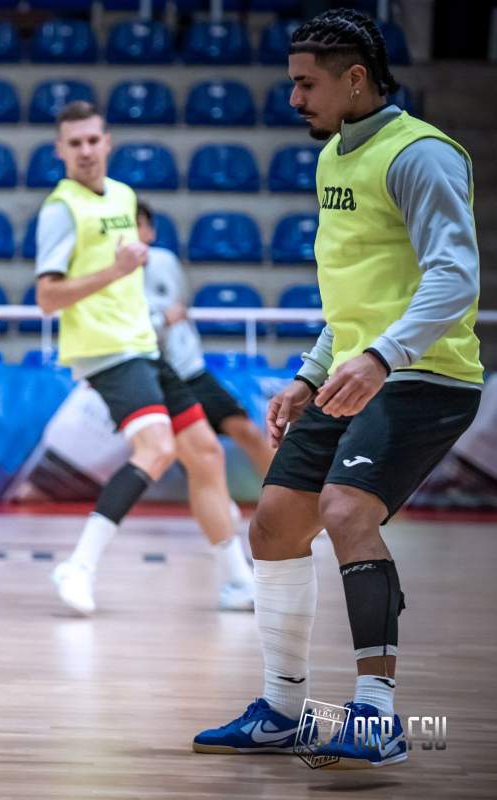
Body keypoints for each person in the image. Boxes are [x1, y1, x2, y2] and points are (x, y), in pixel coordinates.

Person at [193, 8, 483, 768]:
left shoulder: (421, 154)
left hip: (424, 375)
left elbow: (455, 277)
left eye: (305, 83)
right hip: (356, 371)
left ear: (355, 78)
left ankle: (376, 716)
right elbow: (350, 299)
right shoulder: (331, 158)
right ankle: (284, 711)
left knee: (345, 509)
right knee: (275, 527)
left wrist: (381, 357)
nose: (293, 99)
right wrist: (309, 374)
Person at [35, 101, 255, 615]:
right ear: (60, 150)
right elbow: (48, 297)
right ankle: (79, 566)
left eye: (94, 140)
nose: (86, 150)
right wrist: (112, 272)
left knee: (206, 453)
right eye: (76, 142)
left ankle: (239, 581)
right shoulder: (60, 209)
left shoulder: (126, 196)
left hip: (144, 347)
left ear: (107, 142)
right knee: (155, 449)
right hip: (103, 350)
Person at [137, 200, 276, 478]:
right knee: (177, 451)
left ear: (150, 232)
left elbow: (181, 304)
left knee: (245, 429)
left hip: (189, 371)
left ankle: (284, 502)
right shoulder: (109, 280)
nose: (131, 232)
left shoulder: (165, 262)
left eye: (138, 225)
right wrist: (162, 321)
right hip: (146, 378)